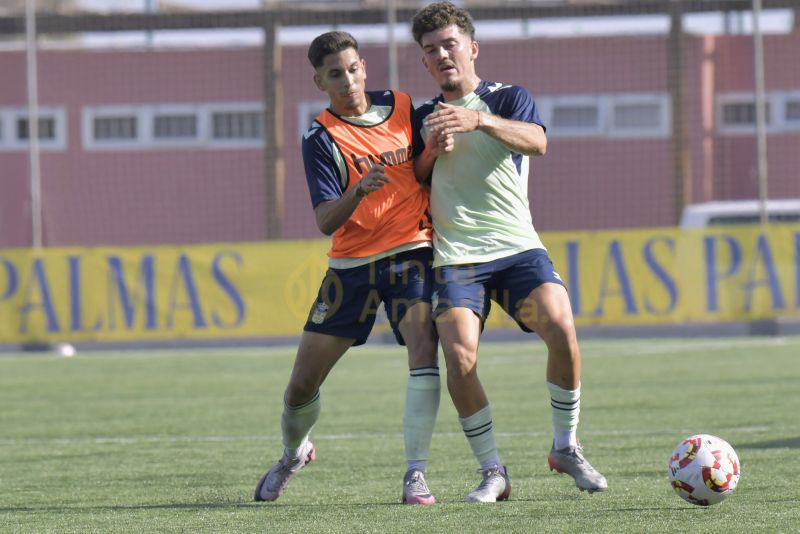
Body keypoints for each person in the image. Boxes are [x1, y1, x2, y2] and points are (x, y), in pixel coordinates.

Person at [410, 2, 608, 503]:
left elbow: (537, 142)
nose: (441, 55)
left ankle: (565, 446)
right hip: (457, 258)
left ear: (471, 48)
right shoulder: (420, 117)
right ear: (425, 62)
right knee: (459, 356)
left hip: (518, 251)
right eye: (430, 50)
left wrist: (477, 122)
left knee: (561, 327)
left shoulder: (508, 97)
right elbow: (414, 177)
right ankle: (493, 472)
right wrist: (432, 147)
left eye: (449, 44)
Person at [254, 31, 440, 506]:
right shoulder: (320, 135)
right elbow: (323, 221)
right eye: (335, 73)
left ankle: (416, 474)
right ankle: (294, 453)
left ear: (364, 67)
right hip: (351, 267)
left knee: (423, 350)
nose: (349, 80)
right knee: (301, 385)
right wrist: (359, 190)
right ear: (319, 80)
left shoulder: (402, 107)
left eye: (354, 68)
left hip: (410, 253)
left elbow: (428, 167)